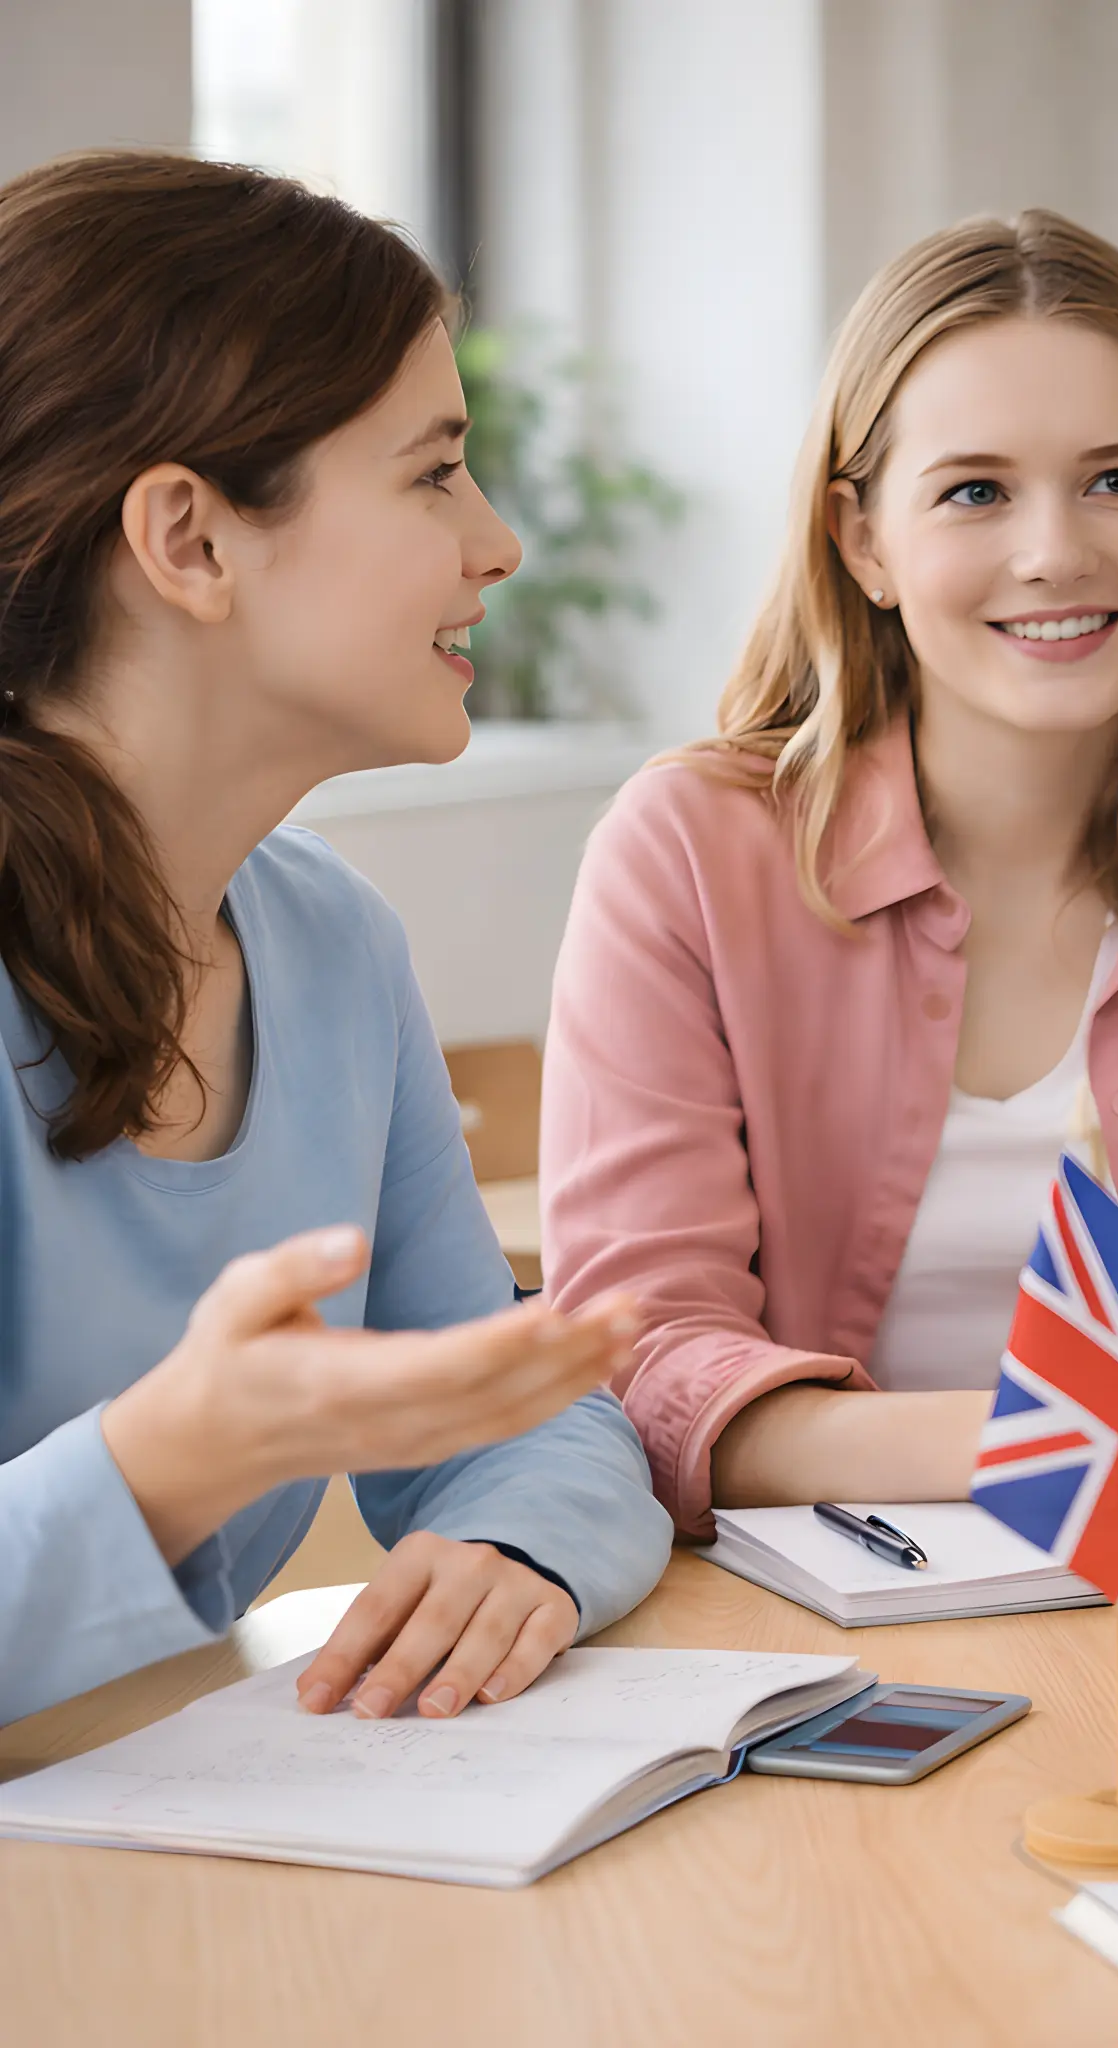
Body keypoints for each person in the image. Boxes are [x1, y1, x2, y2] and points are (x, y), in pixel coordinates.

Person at [541, 210, 1118, 1538]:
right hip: (806, 1621)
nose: (1056, 552)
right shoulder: (684, 848)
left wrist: (1107, 1445)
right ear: (863, 542)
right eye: (975, 491)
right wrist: (1075, 1443)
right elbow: (651, 1358)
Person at [0, 153, 673, 1730]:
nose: (496, 543)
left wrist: (516, 1542)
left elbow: (530, 1405)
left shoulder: (331, 947)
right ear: (192, 540)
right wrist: (180, 1457)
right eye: (434, 473)